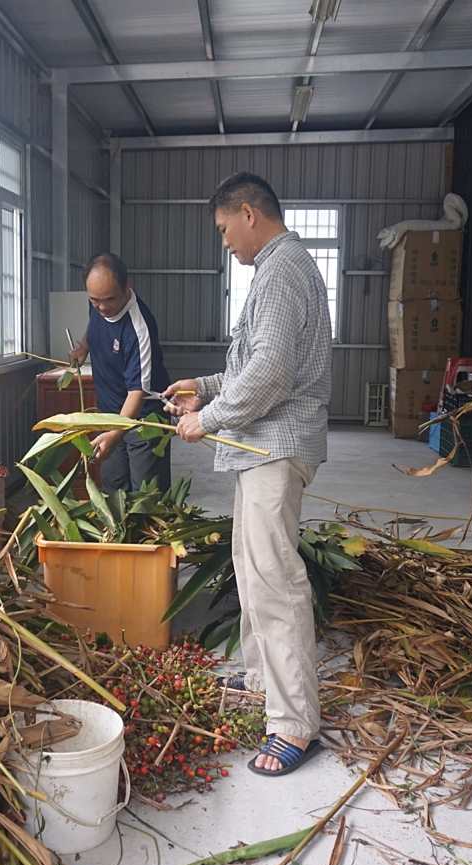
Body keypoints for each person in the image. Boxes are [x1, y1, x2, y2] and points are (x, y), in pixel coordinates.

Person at [162, 173, 332, 777]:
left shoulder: (283, 270)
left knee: (274, 579)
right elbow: (251, 360)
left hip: (273, 447)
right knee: (253, 573)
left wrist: (207, 418)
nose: (225, 242)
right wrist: (202, 387)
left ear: (248, 211)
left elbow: (272, 374)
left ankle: (294, 724)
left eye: (224, 228)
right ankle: (264, 684)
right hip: (260, 448)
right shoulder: (277, 270)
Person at [69, 252, 173, 493]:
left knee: (146, 497)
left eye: (108, 299)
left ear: (127, 287)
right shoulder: (98, 300)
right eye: (95, 300)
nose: (102, 307)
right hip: (110, 414)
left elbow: (137, 392)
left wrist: (116, 433)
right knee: (114, 490)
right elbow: (94, 321)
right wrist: (84, 346)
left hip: (143, 421)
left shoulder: (139, 327)